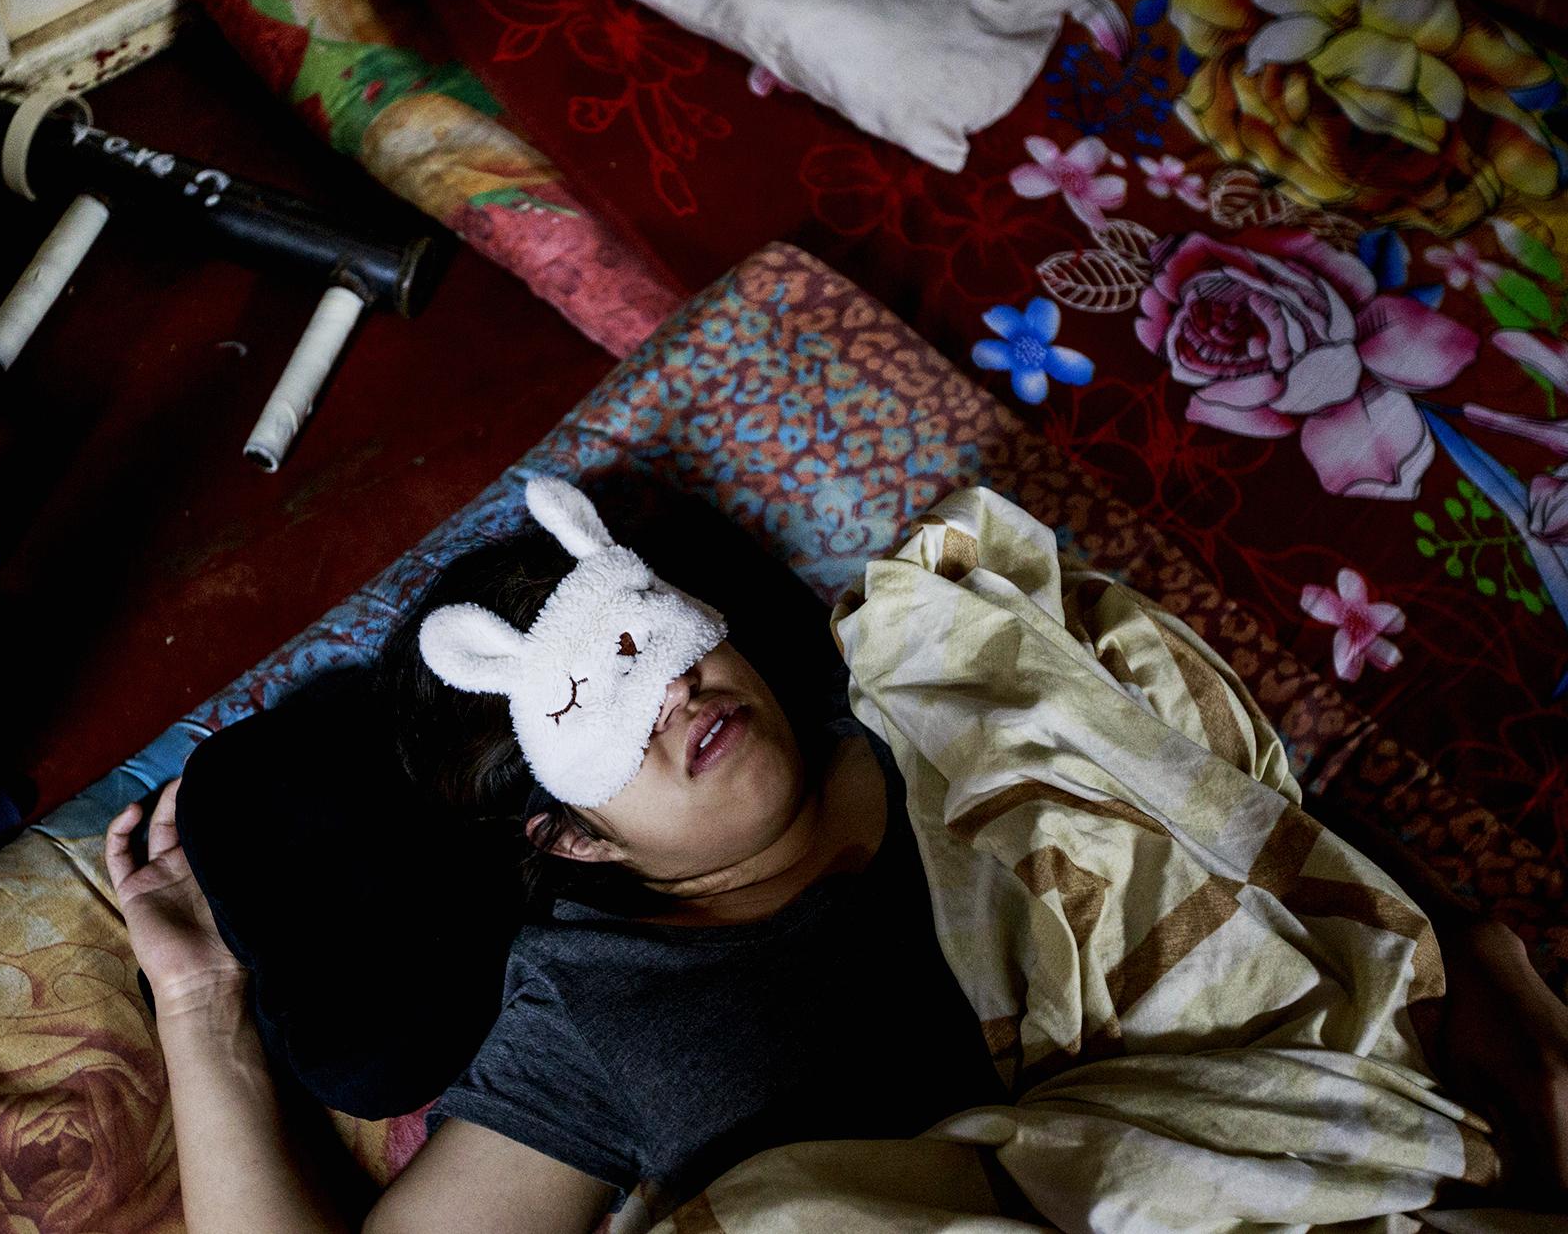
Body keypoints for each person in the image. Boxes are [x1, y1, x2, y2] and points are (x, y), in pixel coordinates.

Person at [106, 479, 1568, 1233]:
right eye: (598, 716)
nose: (672, 690)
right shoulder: (598, 1004)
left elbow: (1247, 864)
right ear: (572, 833)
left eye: (659, 639)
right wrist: (198, 1009)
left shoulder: (947, 689)